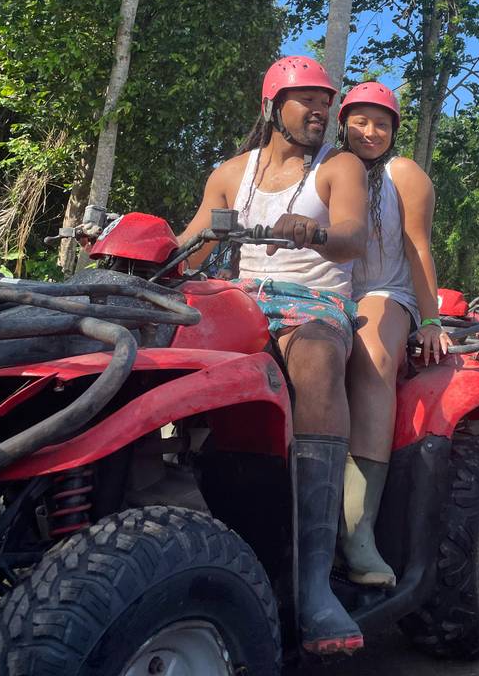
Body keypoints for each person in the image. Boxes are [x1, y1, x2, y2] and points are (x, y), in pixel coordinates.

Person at [179, 56, 369, 656]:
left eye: (325, 101)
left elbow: (352, 238)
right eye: (306, 99)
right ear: (272, 107)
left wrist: (311, 232)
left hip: (313, 302)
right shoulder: (231, 173)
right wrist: (133, 248)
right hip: (239, 301)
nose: (321, 111)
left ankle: (314, 585)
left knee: (314, 358)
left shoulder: (339, 167)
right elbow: (189, 247)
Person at [336, 81, 450, 588]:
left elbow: (418, 248)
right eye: (361, 120)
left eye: (382, 123)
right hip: (328, 290)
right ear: (343, 123)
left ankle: (357, 529)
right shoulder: (326, 170)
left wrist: (430, 318)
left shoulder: (401, 174)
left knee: (373, 349)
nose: (371, 131)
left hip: (387, 290)